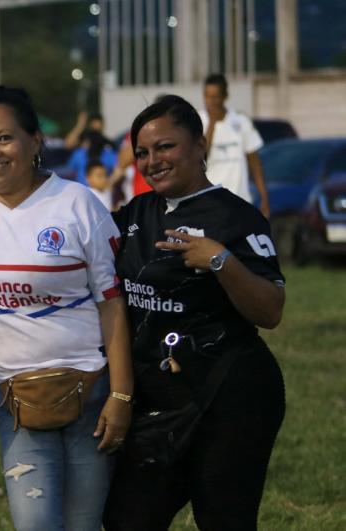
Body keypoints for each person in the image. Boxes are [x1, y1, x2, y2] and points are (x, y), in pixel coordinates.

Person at [0, 86, 132, 530]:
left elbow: (112, 306)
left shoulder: (77, 203)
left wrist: (122, 396)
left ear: (35, 142)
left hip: (91, 396)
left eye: (5, 138)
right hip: (15, 403)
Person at [103, 95, 285, 530]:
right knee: (127, 519)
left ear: (199, 145)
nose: (152, 161)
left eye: (165, 147)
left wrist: (222, 261)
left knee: (224, 519)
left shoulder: (236, 218)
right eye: (143, 152)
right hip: (158, 399)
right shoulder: (134, 214)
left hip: (230, 395)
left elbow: (271, 311)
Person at [200, 73, 270, 218]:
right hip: (211, 200)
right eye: (208, 96)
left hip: (240, 199)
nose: (211, 102)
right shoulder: (198, 121)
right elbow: (202, 157)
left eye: (215, 97)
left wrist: (264, 197)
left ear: (225, 96)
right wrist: (212, 124)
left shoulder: (240, 120)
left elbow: (254, 162)